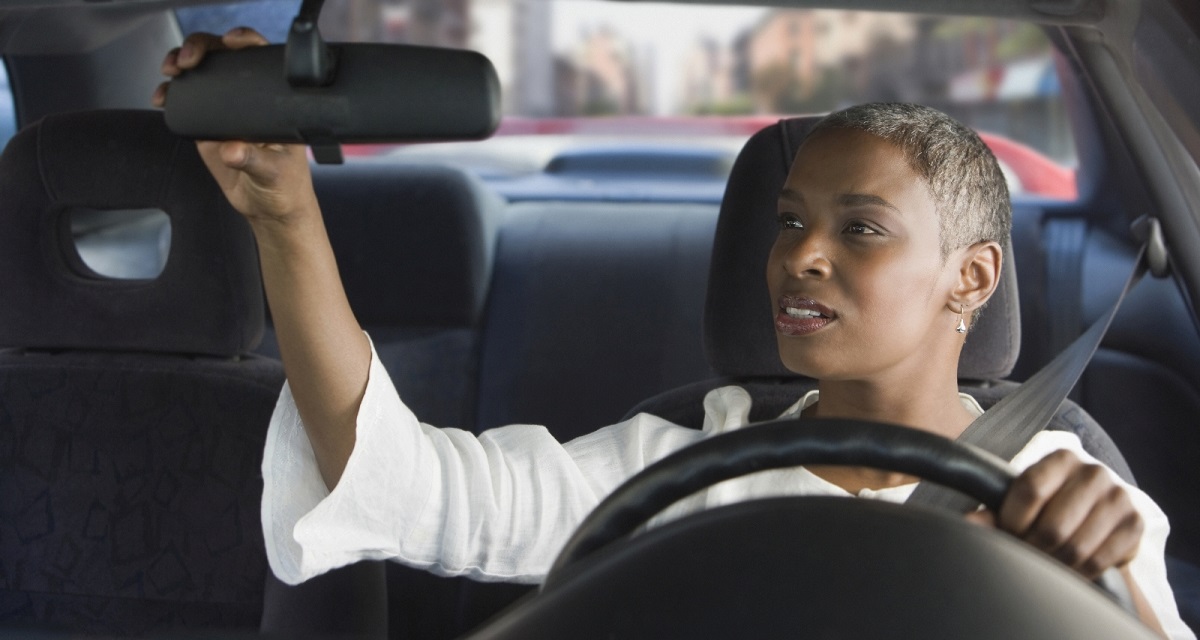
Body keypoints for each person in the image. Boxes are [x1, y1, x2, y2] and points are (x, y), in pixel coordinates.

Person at [155, 29, 1191, 638]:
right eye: (788, 222)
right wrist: (285, 216)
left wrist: (1085, 569)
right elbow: (412, 488)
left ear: (972, 276)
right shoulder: (680, 466)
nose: (800, 257)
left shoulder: (1067, 488)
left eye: (859, 229)